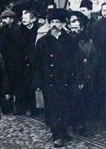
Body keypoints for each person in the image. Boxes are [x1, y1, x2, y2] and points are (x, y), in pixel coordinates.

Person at [34, 9, 78, 148]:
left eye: (57, 22)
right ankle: (56, 134)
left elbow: (75, 61)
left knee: (65, 106)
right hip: (50, 80)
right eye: (52, 22)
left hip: (66, 79)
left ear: (63, 24)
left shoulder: (70, 40)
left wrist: (76, 78)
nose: (54, 25)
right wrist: (38, 82)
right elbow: (37, 64)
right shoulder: (42, 42)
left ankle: (63, 131)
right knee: (53, 108)